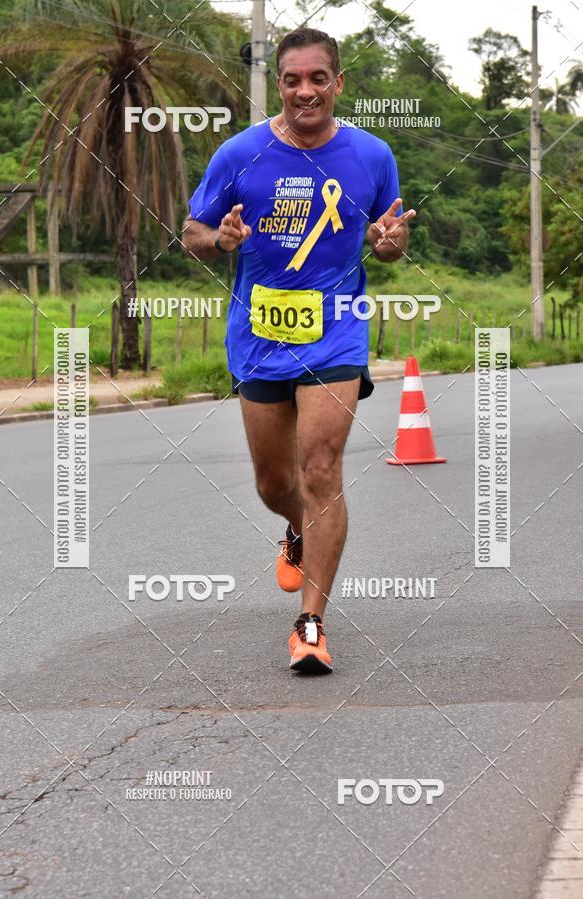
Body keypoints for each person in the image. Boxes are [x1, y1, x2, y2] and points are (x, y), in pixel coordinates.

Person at [183, 27, 415, 674]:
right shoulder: (239, 154)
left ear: (339, 84)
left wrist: (391, 243)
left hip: (336, 329)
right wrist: (221, 239)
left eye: (318, 78)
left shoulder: (371, 155)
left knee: (319, 469)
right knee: (274, 482)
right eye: (292, 79)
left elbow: (389, 239)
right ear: (279, 85)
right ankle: (296, 529)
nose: (305, 90)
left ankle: (310, 622)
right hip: (259, 337)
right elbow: (191, 233)